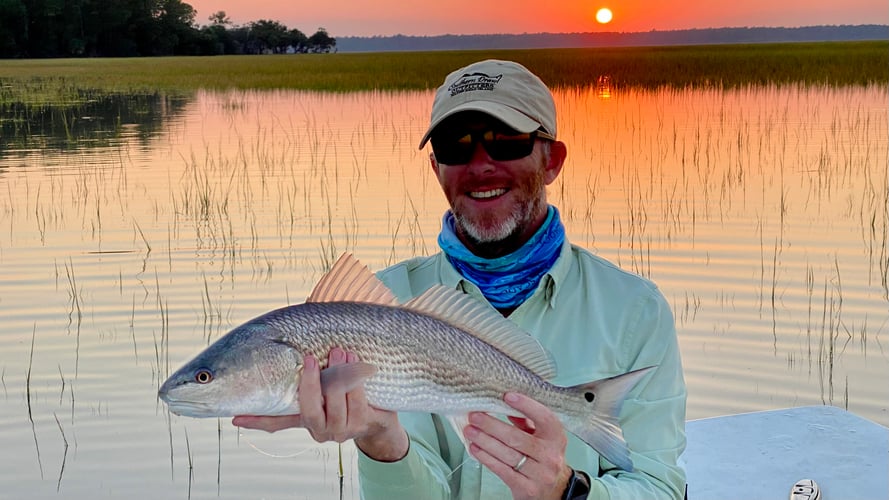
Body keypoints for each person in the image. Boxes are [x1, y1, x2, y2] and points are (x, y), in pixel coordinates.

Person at [233, 59, 687, 500]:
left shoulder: (635, 310)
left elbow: (660, 487)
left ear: (552, 160)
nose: (481, 164)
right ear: (436, 169)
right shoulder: (383, 303)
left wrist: (567, 492)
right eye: (456, 146)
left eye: (507, 141)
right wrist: (381, 441)